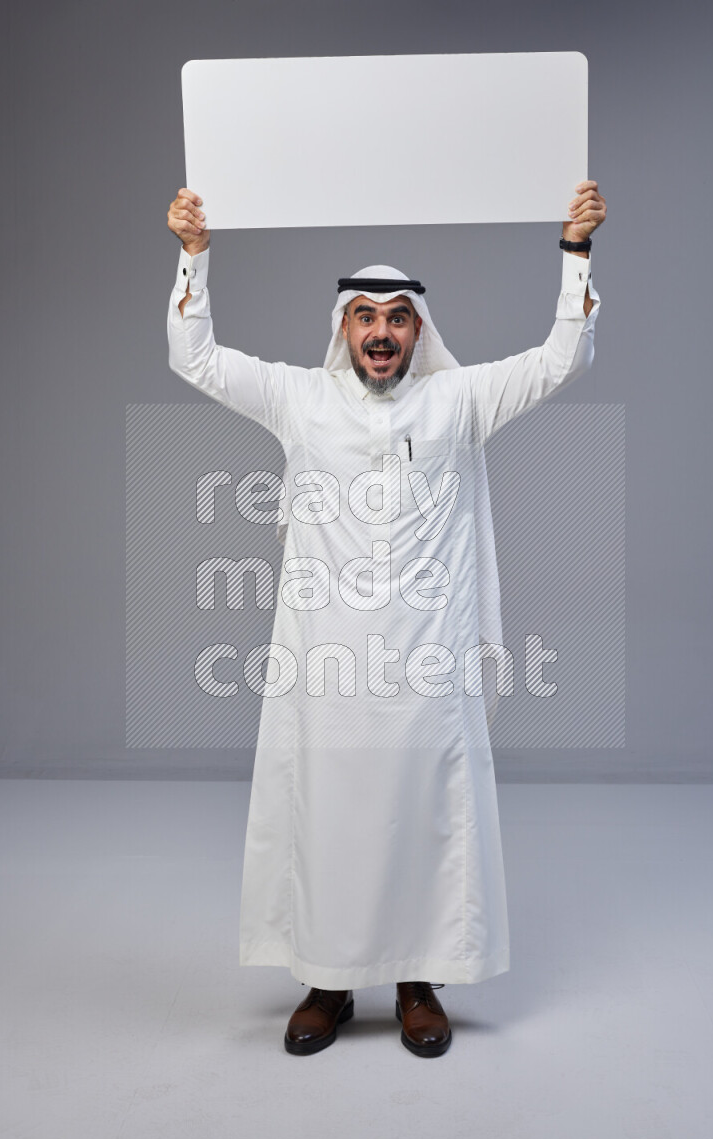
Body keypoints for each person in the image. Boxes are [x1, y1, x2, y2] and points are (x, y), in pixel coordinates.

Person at [166, 181, 607, 1057]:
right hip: (328, 670)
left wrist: (575, 253)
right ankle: (327, 983)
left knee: (425, 821)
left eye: (397, 318)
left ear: (418, 331)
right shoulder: (300, 399)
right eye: (365, 316)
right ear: (343, 328)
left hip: (426, 672)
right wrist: (193, 256)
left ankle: (416, 983)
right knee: (329, 822)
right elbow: (198, 358)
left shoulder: (460, 400)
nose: (380, 332)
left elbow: (562, 358)